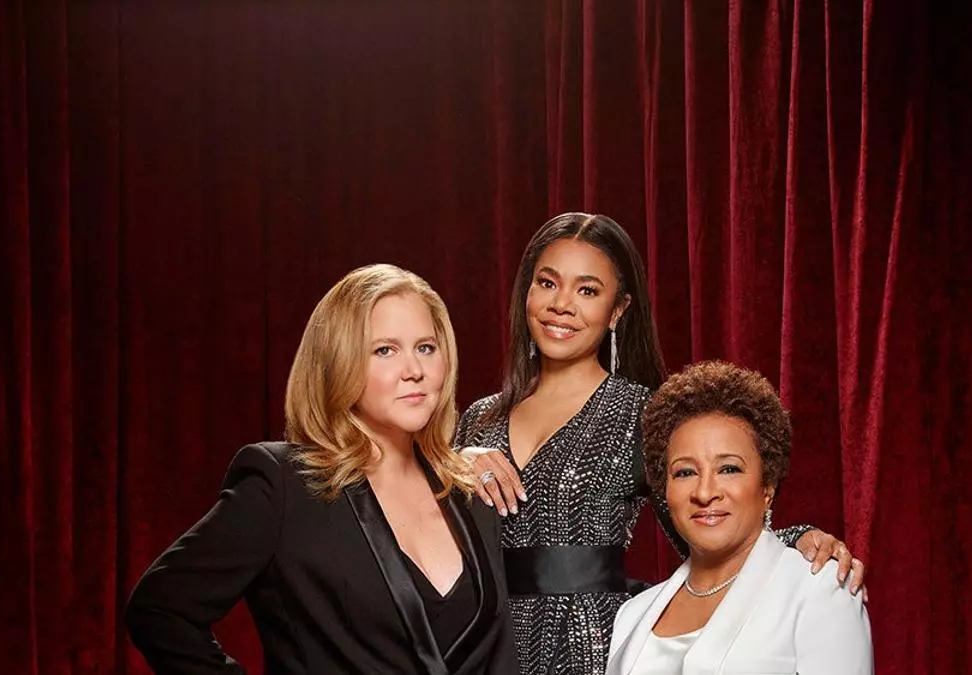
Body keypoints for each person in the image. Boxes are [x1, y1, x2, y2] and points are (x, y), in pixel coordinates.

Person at [456, 213, 866, 675]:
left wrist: (796, 540)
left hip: (586, 646)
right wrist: (451, 466)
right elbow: (426, 543)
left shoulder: (641, 412)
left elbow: (702, 524)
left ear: (618, 310)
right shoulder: (480, 419)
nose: (562, 305)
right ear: (527, 292)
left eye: (587, 291)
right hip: (485, 642)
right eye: (548, 283)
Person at [126, 264, 517, 674]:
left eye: (426, 347)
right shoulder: (283, 486)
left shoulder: (470, 493)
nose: (414, 370)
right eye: (384, 350)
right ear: (338, 362)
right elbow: (159, 611)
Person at [606, 361, 872, 674]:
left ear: (767, 485)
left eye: (728, 469)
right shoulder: (632, 614)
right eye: (685, 472)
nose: (705, 492)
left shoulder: (821, 591)